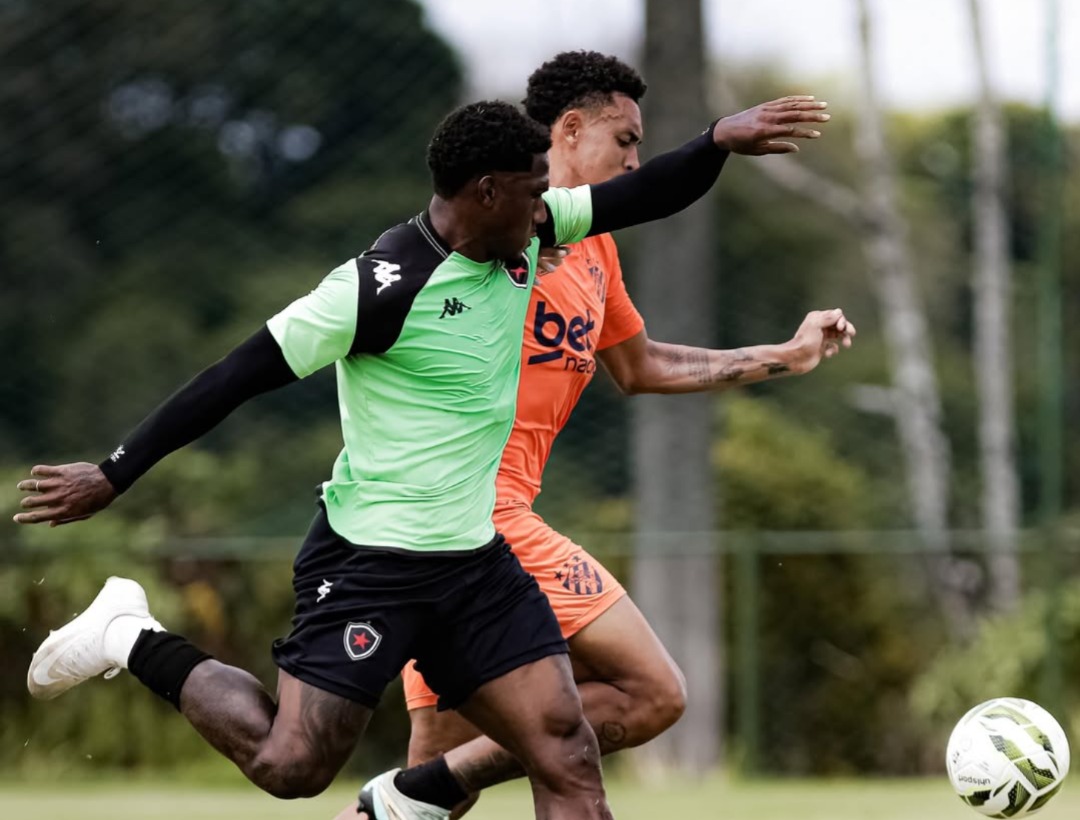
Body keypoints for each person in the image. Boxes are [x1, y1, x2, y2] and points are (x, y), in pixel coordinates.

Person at [14, 94, 829, 819]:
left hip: (475, 566)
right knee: (292, 766)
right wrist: (113, 472)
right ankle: (131, 634)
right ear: (486, 193)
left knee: (568, 755)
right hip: (372, 562)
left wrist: (719, 140)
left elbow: (643, 194)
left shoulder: (531, 225)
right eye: (535, 190)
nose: (552, 207)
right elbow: (230, 379)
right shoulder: (373, 290)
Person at [339, 54, 852, 820]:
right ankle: (417, 791)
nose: (634, 160)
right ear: (569, 131)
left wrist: (785, 355)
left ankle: (411, 795)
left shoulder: (595, 249)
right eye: (625, 139)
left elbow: (641, 367)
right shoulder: (498, 232)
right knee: (651, 694)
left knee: (437, 786)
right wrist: (713, 143)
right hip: (468, 517)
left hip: (468, 529)